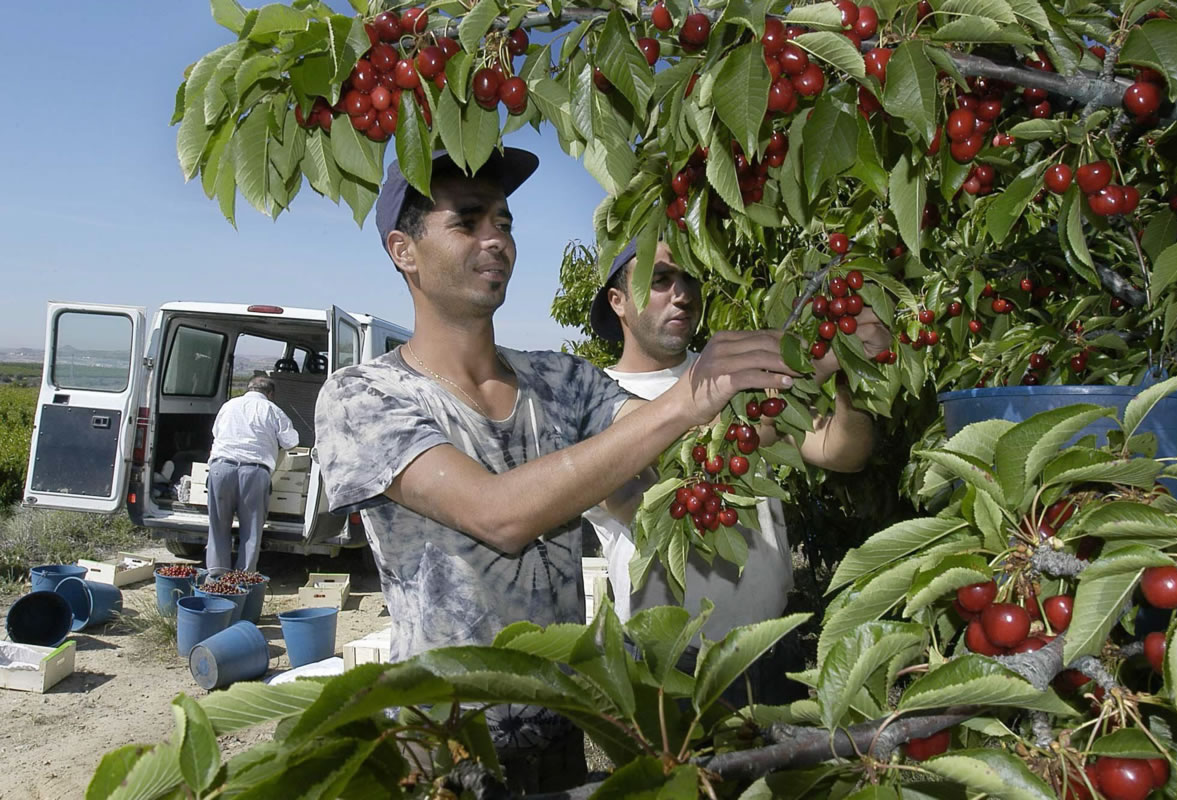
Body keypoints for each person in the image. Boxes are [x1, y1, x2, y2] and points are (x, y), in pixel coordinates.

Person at [313, 147, 800, 791]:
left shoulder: (561, 380)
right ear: (404, 250)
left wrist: (804, 367)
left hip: (565, 727)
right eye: (467, 221)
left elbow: (685, 457)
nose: (496, 239)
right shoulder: (362, 397)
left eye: (504, 222)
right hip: (446, 744)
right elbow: (497, 514)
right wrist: (687, 398)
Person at [583, 240, 885, 706]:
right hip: (675, 665)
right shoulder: (594, 399)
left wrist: (855, 374)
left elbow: (841, 450)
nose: (682, 293)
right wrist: (809, 368)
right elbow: (649, 498)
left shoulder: (729, 368)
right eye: (660, 280)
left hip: (773, 648)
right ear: (618, 300)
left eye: (688, 279)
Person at [206, 376, 299, 572]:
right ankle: (244, 579)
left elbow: (216, 432)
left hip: (221, 468)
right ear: (270, 394)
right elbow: (291, 442)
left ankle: (215, 577)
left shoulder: (228, 406)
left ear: (248, 389)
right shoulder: (273, 410)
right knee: (251, 530)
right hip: (254, 472)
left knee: (218, 527)